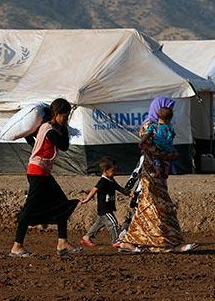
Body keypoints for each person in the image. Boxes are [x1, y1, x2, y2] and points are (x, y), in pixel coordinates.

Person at [118, 96, 198, 253]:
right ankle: (169, 244)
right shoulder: (148, 126)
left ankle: (134, 242)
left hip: (160, 175)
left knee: (152, 208)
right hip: (151, 175)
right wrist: (167, 155)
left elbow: (168, 147)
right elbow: (148, 148)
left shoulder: (166, 128)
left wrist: (172, 153)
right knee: (159, 208)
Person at [10, 98, 80, 258]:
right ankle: (17, 246)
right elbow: (64, 146)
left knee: (62, 204)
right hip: (38, 173)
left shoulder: (44, 128)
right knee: (28, 209)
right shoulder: (50, 130)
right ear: (56, 114)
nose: (65, 119)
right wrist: (65, 129)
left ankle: (62, 243)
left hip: (41, 172)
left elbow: (31, 140)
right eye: (64, 116)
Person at [79, 157, 131, 248]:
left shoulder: (111, 180)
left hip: (108, 207)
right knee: (113, 223)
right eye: (113, 170)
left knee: (99, 223)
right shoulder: (103, 181)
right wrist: (87, 199)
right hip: (104, 208)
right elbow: (94, 190)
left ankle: (86, 238)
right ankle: (115, 241)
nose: (114, 172)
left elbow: (119, 188)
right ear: (105, 171)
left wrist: (129, 194)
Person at [141, 106, 175, 178]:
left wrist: (141, 142)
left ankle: (157, 171)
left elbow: (146, 135)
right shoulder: (170, 127)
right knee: (166, 161)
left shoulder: (153, 126)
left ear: (157, 116)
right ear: (170, 119)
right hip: (168, 149)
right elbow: (172, 136)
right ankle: (166, 171)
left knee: (155, 159)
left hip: (157, 148)